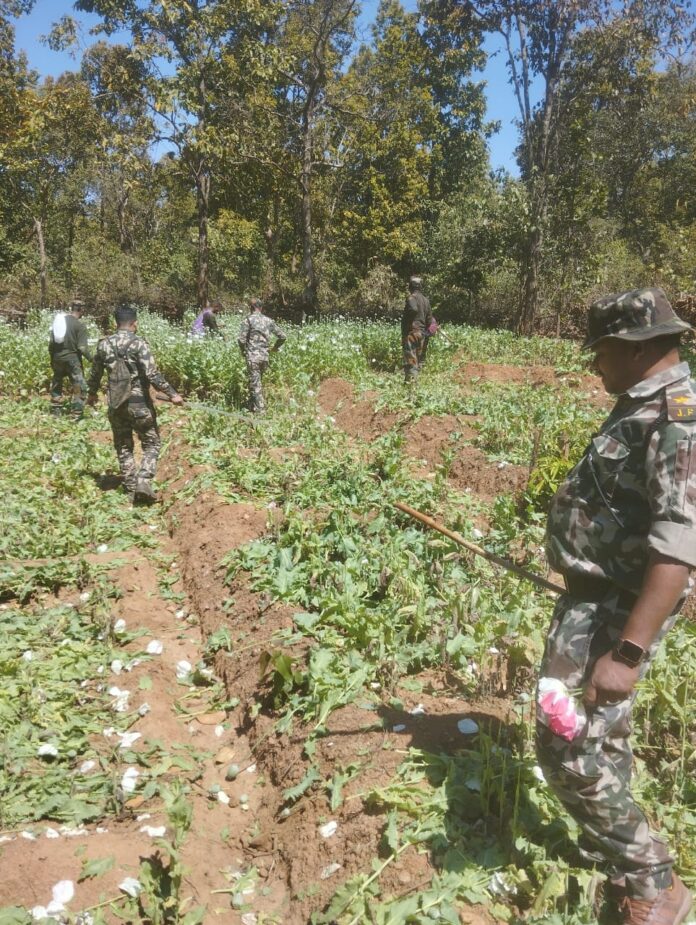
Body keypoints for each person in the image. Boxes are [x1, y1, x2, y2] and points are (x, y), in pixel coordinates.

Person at [541, 287, 695, 924]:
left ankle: (653, 882)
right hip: (594, 601)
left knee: (566, 748)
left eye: (601, 350)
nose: (595, 364)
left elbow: (679, 545)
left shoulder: (676, 418)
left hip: (613, 619)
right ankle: (622, 860)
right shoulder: (643, 406)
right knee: (604, 744)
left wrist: (627, 653)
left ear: (634, 349)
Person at [87, 305, 183, 504]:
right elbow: (152, 374)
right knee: (152, 443)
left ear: (116, 323)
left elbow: (95, 374)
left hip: (116, 404)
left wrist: (91, 395)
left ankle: (131, 489)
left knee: (123, 446)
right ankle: (143, 479)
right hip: (139, 404)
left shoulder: (103, 344)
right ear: (134, 323)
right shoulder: (139, 343)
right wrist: (173, 394)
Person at [237, 298, 285, 413]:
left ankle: (260, 413)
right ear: (261, 308)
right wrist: (274, 348)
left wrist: (244, 351)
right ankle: (252, 405)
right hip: (264, 357)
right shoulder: (268, 321)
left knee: (255, 384)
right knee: (256, 383)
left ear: (251, 308)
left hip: (253, 357)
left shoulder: (248, 320)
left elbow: (241, 340)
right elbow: (282, 336)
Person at [49, 299, 93, 418]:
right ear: (81, 309)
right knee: (79, 385)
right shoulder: (80, 325)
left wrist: (52, 359)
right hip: (72, 359)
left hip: (57, 357)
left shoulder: (58, 322)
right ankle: (76, 413)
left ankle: (55, 411)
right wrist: (92, 360)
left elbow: (51, 344)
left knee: (57, 382)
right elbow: (82, 348)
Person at [401, 276, 434, 383]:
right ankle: (414, 384)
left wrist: (409, 325)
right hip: (422, 334)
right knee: (418, 361)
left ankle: (411, 386)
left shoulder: (411, 298)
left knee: (411, 361)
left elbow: (413, 309)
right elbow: (430, 320)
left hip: (412, 334)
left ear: (411, 286)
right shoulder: (426, 300)